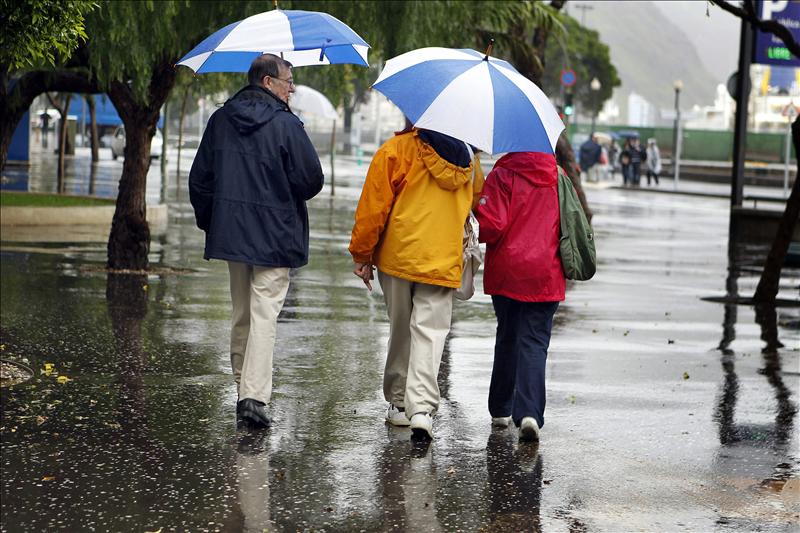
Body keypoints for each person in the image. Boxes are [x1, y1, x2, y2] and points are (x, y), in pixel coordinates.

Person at [189, 54, 324, 428]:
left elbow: (200, 180)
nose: (292, 88)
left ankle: (242, 388)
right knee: (264, 315)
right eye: (288, 81)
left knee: (242, 313)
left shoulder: (220, 120)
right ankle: (252, 397)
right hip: (276, 236)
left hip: (233, 234)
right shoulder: (286, 124)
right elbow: (311, 179)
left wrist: (214, 223)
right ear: (268, 82)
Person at [349, 122, 484, 440]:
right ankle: (421, 408)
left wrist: (362, 254)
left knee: (401, 329)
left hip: (398, 257)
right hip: (442, 259)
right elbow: (475, 201)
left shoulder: (395, 151)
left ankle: (399, 405)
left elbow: (373, 209)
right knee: (431, 333)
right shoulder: (469, 161)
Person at [474, 151, 565, 442]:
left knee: (508, 335)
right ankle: (529, 414)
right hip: (546, 271)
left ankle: (501, 409)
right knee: (535, 342)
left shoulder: (502, 174)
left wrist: (477, 210)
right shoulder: (559, 178)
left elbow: (492, 227)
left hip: (508, 270)